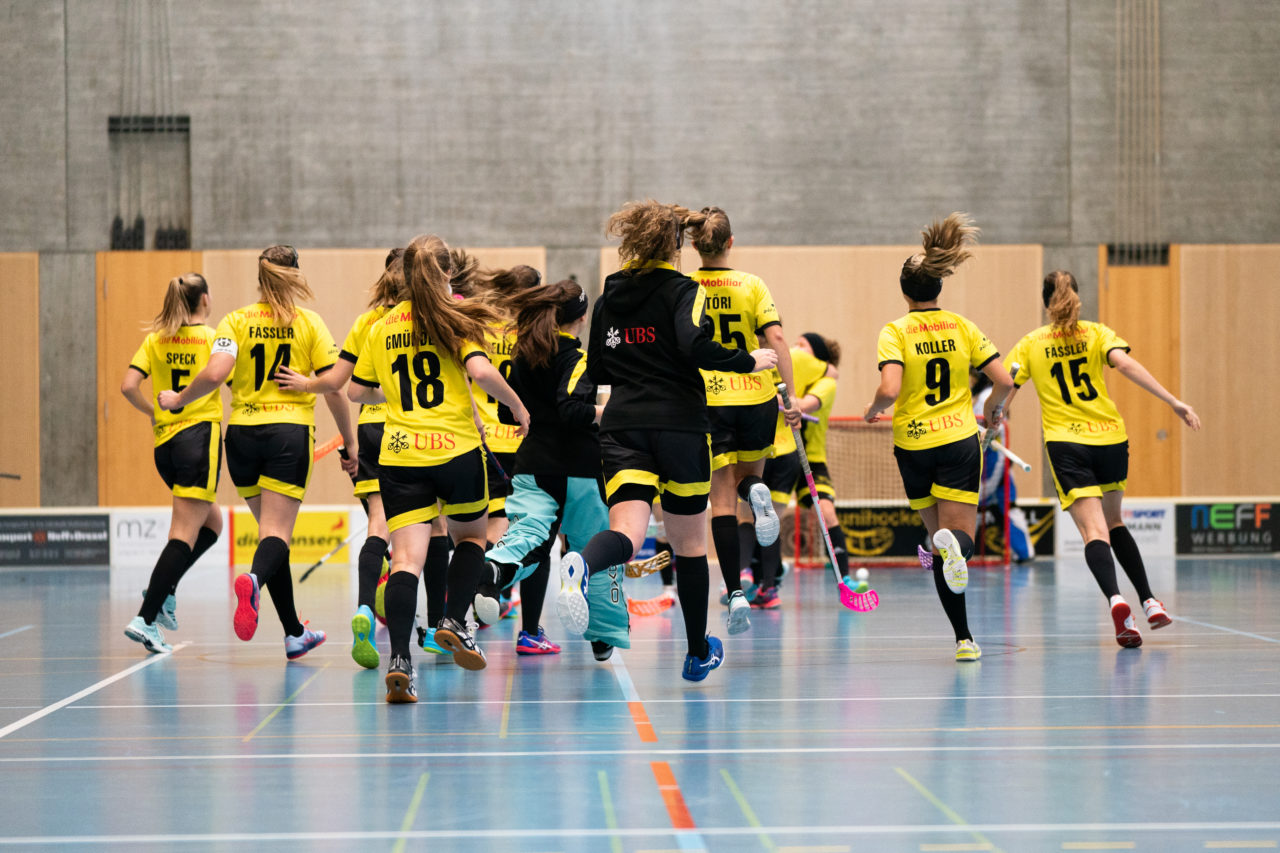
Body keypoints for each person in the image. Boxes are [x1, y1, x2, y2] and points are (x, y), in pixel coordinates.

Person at [559, 200, 778, 682]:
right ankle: (698, 650)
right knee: (690, 545)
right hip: (679, 426)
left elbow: (596, 367)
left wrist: (634, 363)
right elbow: (692, 343)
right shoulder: (684, 289)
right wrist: (748, 361)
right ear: (677, 244)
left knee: (629, 533)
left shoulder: (610, 293)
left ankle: (580, 563)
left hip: (621, 426)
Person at [347, 233, 529, 701]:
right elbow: (483, 373)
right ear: (448, 273)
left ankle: (401, 661)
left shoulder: (381, 325)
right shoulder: (457, 316)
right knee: (470, 537)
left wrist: (390, 392)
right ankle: (451, 618)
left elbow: (356, 392)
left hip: (401, 453)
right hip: (457, 450)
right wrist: (518, 407)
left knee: (405, 559)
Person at [159, 246, 357, 661]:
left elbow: (215, 374)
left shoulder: (234, 321)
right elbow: (335, 388)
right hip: (288, 435)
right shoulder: (308, 323)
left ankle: (293, 633)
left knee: (271, 534)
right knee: (275, 537)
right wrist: (349, 441)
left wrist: (178, 399)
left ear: (259, 277)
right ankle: (252, 578)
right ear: (295, 275)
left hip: (243, 437)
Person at [1004, 270, 1200, 647]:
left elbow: (1007, 387)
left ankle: (1116, 600)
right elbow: (1126, 366)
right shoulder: (1097, 333)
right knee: (1114, 521)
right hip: (1110, 438)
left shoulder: (1031, 343)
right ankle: (1149, 600)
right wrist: (1173, 401)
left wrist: (995, 417)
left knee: (1094, 532)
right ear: (1078, 297)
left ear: (1046, 303)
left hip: (1066, 444)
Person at [863, 213, 1013, 662]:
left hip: (911, 444)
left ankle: (963, 636)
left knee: (937, 542)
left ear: (905, 292)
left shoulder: (895, 330)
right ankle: (963, 630)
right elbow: (1002, 380)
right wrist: (993, 409)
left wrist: (874, 409)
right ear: (938, 288)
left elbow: (890, 389)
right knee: (959, 542)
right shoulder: (962, 326)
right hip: (957, 442)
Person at [275, 248, 404, 669]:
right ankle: (435, 624)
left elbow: (337, 382)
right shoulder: (427, 317)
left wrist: (305, 384)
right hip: (414, 430)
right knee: (431, 529)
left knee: (379, 526)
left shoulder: (367, 321)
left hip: (370, 430)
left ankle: (368, 606)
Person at [474, 279, 602, 657]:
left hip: (531, 463)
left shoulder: (523, 355)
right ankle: (601, 637)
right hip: (578, 466)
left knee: (531, 543)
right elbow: (572, 410)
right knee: (590, 549)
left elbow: (503, 409)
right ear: (582, 317)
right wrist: (606, 412)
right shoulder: (577, 358)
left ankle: (495, 574)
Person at [686, 206, 799, 635]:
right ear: (731, 242)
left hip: (709, 398)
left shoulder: (685, 287)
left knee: (721, 502)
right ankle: (758, 492)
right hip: (756, 394)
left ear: (695, 245)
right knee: (750, 481)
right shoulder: (752, 285)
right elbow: (777, 339)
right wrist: (787, 396)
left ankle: (735, 591)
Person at [120, 272, 225, 654]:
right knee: (183, 533)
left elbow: (128, 386)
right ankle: (146, 618)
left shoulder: (156, 339)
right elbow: (226, 377)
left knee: (213, 523)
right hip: (197, 439)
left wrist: (152, 411)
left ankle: (164, 590)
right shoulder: (213, 338)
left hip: (165, 445)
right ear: (205, 301)